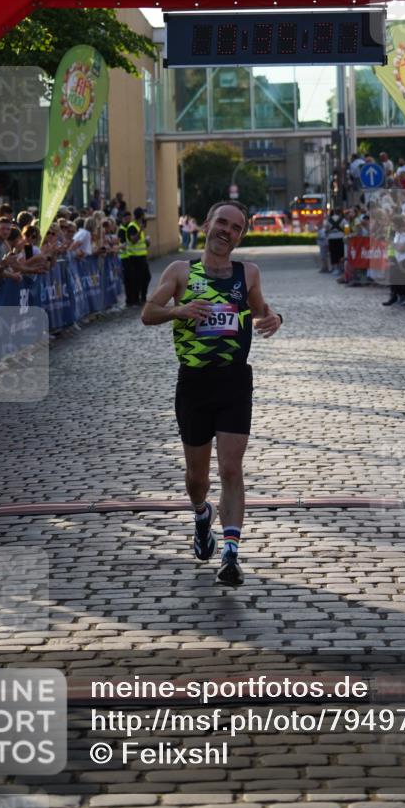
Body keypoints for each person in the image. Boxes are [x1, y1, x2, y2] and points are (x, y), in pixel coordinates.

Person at [141, 200, 283, 587]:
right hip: (194, 384)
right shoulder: (181, 271)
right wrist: (178, 311)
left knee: (231, 468)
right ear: (207, 224)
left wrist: (275, 319)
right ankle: (202, 515)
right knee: (197, 477)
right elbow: (148, 313)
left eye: (236, 227)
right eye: (222, 222)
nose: (227, 231)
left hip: (235, 381)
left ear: (240, 236)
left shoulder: (247, 273)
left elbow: (261, 312)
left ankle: (231, 554)